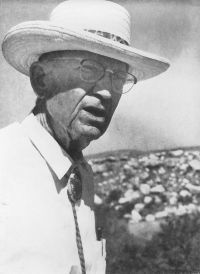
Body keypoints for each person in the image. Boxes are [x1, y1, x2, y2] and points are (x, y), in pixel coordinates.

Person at [0, 1, 170, 273]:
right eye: (89, 69)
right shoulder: (4, 164)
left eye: (118, 78)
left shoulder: (82, 177)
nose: (105, 93)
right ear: (41, 79)